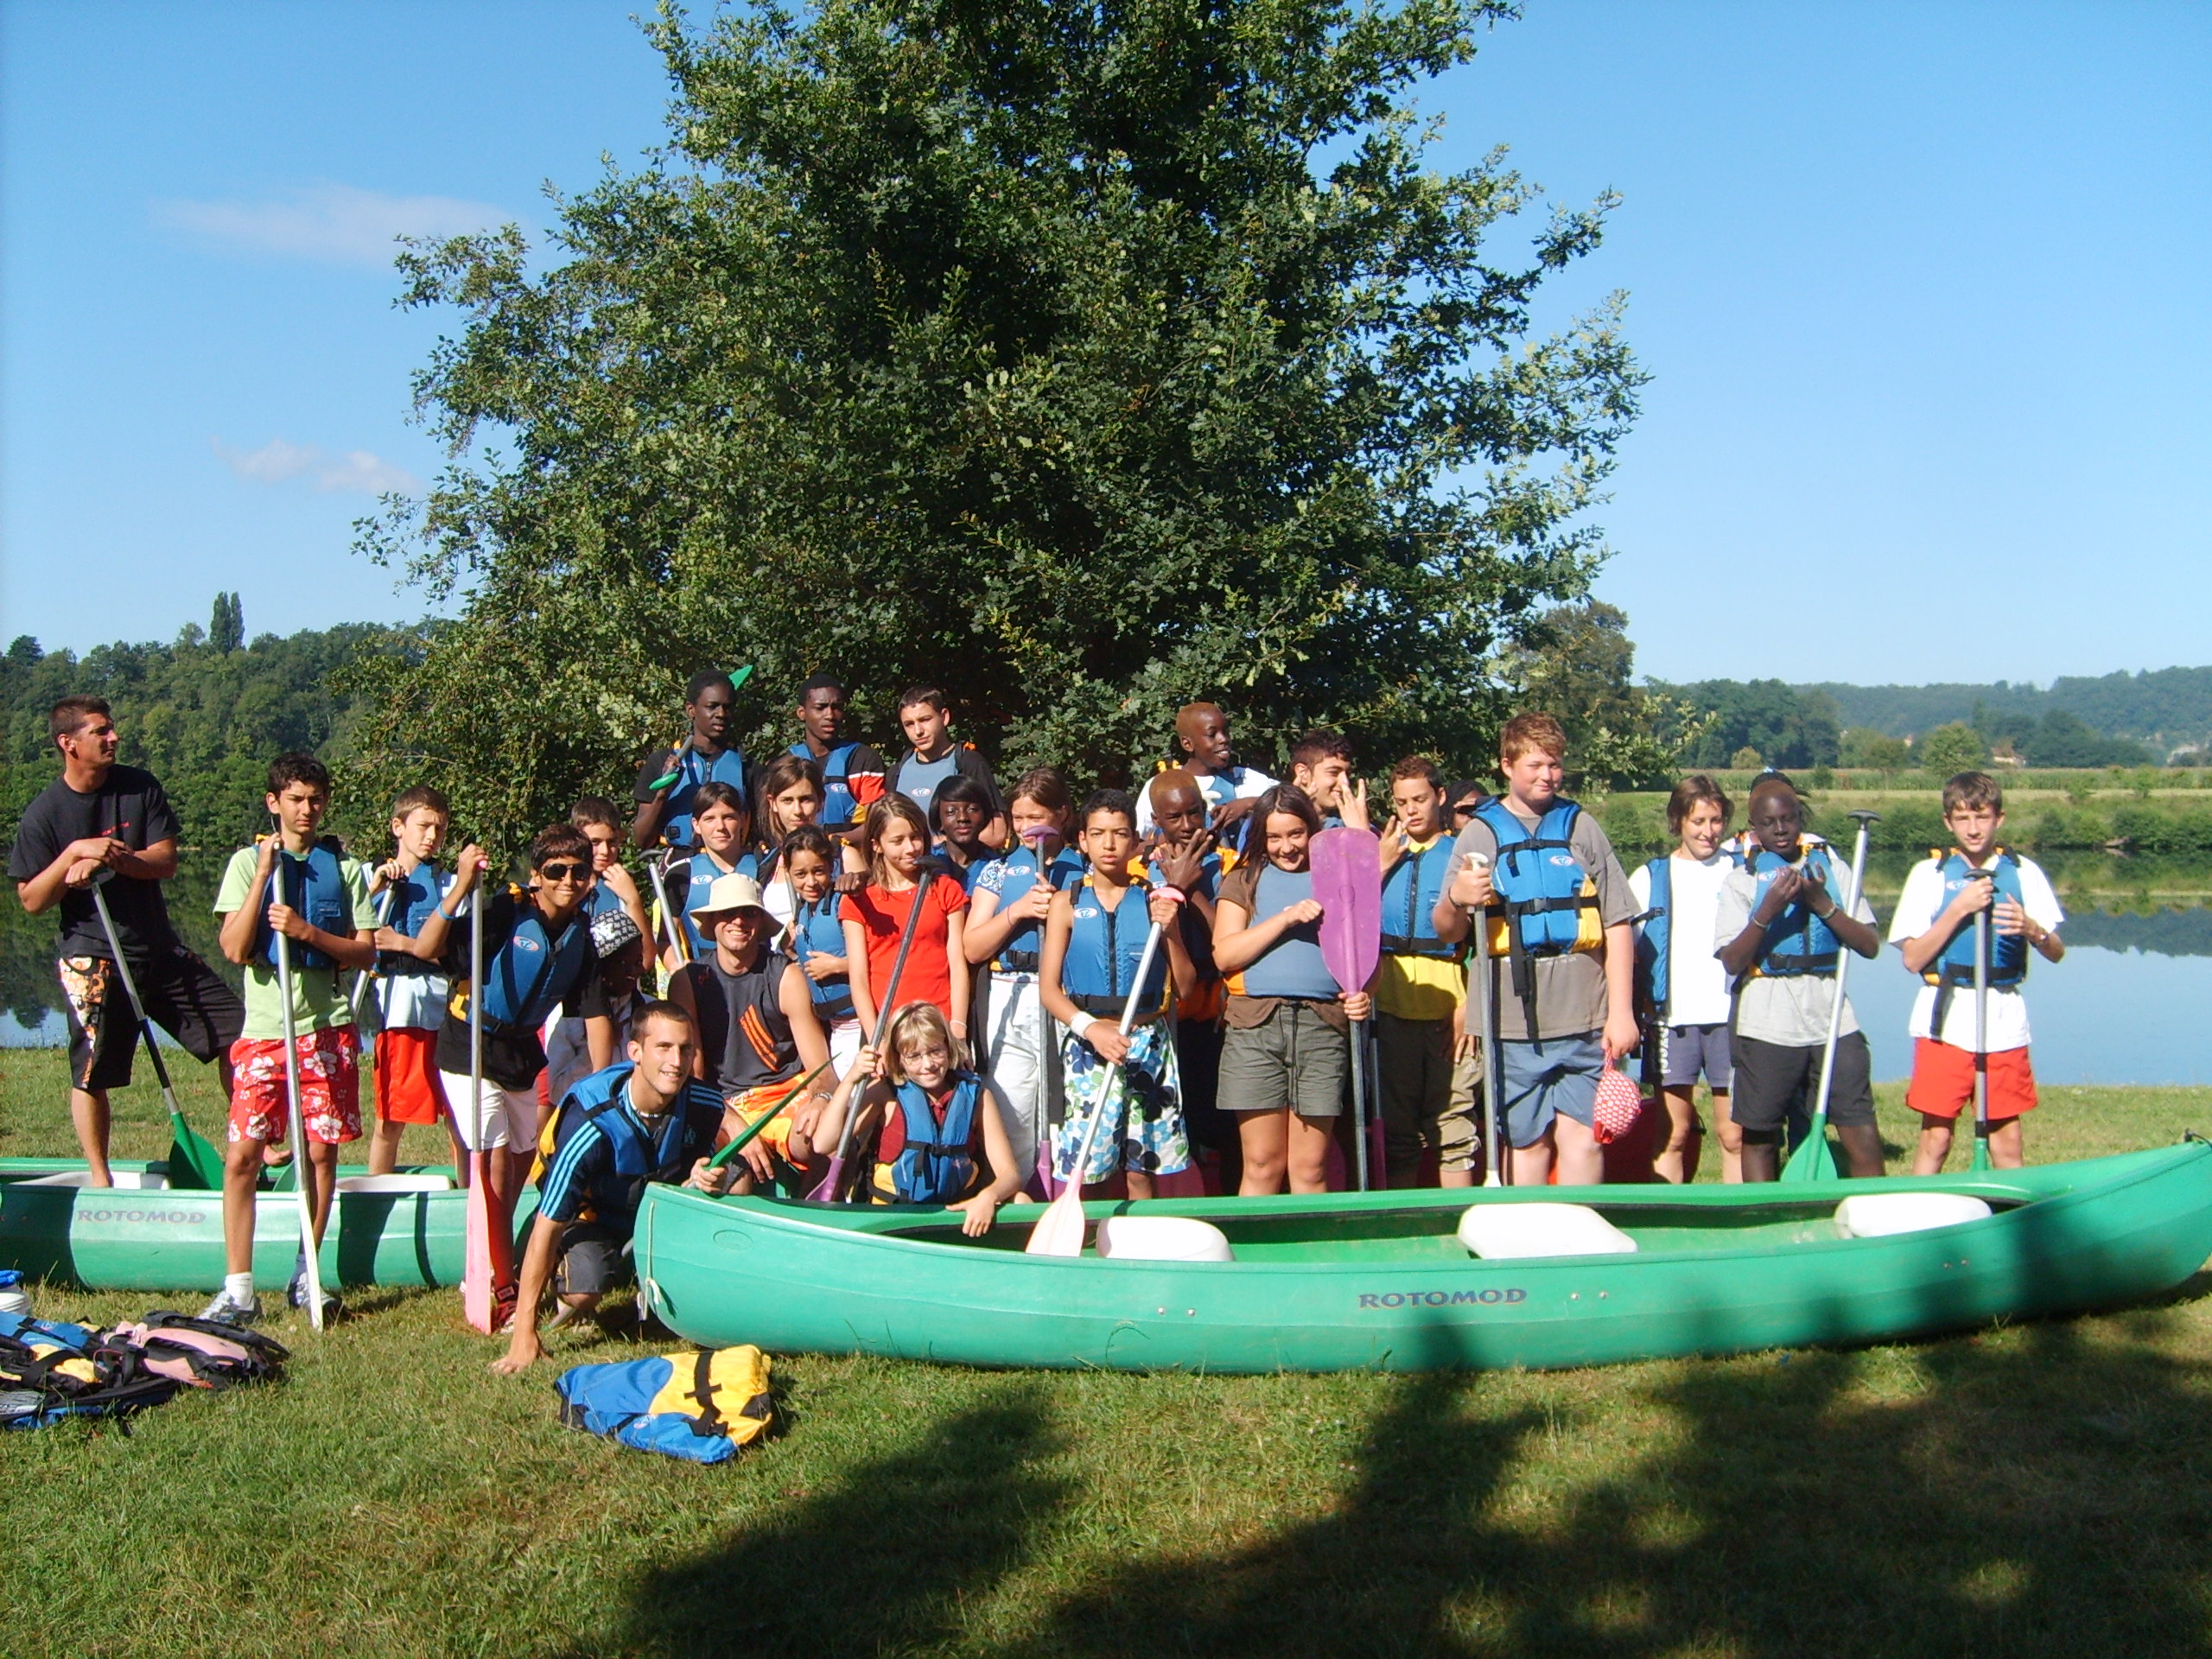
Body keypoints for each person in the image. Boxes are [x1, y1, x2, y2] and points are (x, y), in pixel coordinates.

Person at [9, 694, 245, 1186]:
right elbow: (31, 899)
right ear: (68, 743)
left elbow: (165, 859)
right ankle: (101, 1178)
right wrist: (74, 850)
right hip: (91, 958)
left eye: (112, 729)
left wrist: (112, 858)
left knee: (240, 1036)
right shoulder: (44, 815)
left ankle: (251, 1150)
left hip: (158, 948)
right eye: (101, 731)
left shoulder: (139, 787)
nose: (114, 738)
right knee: (93, 1071)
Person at [202, 753, 378, 1324]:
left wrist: (308, 933)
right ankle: (239, 1287)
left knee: (322, 1155)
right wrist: (261, 873)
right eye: (296, 799)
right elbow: (233, 947)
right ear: (274, 803)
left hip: (325, 1029)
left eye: (316, 800)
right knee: (243, 1156)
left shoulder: (345, 869)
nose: (307, 810)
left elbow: (365, 951)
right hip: (265, 1033)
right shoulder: (243, 864)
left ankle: (309, 1273)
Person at [1432, 714, 1639, 1186]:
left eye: (1555, 765)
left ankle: (1580, 1241)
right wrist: (1458, 897)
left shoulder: (1581, 827)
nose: (1547, 775)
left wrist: (1621, 1012)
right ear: (1507, 765)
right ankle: (1528, 1240)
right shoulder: (1480, 833)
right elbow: (1446, 929)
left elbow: (1619, 923)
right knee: (1526, 1142)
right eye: (1535, 765)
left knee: (1584, 1138)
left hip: (1586, 1013)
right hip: (1512, 1017)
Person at [416, 822, 613, 1318]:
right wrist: (461, 884)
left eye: (579, 872)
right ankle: (496, 1281)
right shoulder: (505, 911)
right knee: (493, 1161)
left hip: (521, 1055)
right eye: (557, 871)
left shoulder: (579, 935)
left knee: (524, 1164)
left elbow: (594, 1013)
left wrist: (603, 1084)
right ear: (537, 875)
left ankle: (494, 1261)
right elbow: (426, 949)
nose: (569, 880)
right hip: (469, 1046)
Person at [493, 1001, 732, 1374]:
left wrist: (703, 1179)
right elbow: (549, 1222)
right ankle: (569, 1273)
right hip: (591, 1216)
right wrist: (524, 1334)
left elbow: (692, 1175)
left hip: (653, 1213)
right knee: (584, 1291)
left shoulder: (705, 1104)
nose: (677, 1061)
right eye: (664, 1047)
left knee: (740, 1177)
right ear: (635, 1052)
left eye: (686, 1049)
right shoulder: (590, 1121)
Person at [1890, 771, 2066, 1173]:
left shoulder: (2023, 872)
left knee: (2007, 1138)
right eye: (1963, 818)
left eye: (1982, 817)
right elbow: (1913, 958)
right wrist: (1959, 908)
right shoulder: (1929, 875)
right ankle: (1920, 1218)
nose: (1973, 828)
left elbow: (2057, 952)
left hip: (2002, 1016)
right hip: (1945, 1016)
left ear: (1999, 819)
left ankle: (2014, 1221)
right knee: (1937, 1136)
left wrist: (2032, 930)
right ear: (1948, 822)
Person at [1713, 772, 1884, 1182]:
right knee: (1760, 1133)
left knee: (1859, 1127)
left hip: (1831, 1017)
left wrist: (1822, 904)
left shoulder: (1833, 871)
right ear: (1754, 830)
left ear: (1799, 818)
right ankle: (1763, 1218)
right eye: (1768, 823)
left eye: (1788, 819)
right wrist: (1766, 911)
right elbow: (1733, 960)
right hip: (1767, 1020)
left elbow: (1869, 944)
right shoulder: (1742, 881)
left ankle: (1876, 1212)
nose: (1780, 830)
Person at [1211, 784, 1374, 1194]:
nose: (1287, 847)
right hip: (1255, 1028)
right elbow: (1224, 955)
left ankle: (1310, 1256)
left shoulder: (1340, 875)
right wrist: (1284, 920)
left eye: (1296, 834)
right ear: (1262, 838)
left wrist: (1364, 995)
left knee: (1310, 1168)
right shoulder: (1243, 880)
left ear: (1312, 830)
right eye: (1275, 836)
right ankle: (1252, 1255)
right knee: (1263, 1165)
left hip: (1322, 1029)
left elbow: (1368, 954)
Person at [1039, 790, 1198, 1199]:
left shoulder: (1152, 900)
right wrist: (1092, 1031)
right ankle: (1088, 1244)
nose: (1109, 845)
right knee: (1087, 1169)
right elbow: (1049, 991)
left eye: (1120, 834)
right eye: (1098, 834)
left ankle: (1142, 1247)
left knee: (1142, 1168)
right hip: (1089, 1044)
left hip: (1146, 1042)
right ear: (1083, 840)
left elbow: (1186, 986)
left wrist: (1173, 931)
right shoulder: (1066, 903)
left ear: (1135, 841)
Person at [669, 871, 836, 1193]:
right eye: (728, 913)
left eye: (748, 912)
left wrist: (822, 1100)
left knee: (826, 1138)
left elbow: (821, 1068)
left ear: (760, 920)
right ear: (713, 921)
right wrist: (731, 1122)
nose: (738, 922)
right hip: (722, 1101)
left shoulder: (785, 976)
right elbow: (691, 1076)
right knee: (735, 1182)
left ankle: (805, 1225)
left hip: (785, 1093)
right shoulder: (689, 981)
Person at [963, 766, 1083, 1184]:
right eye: (1018, 818)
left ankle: (1065, 1193)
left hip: (1064, 997)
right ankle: (1014, 1192)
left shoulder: (1082, 869)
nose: (1026, 828)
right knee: (1011, 1105)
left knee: (1064, 1107)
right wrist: (1017, 911)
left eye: (1037, 817)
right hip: (1008, 992)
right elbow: (972, 946)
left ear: (1062, 814)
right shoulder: (997, 870)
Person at [808, 1002, 1022, 1231]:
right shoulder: (887, 1093)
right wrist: (851, 1079)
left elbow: (1010, 1174)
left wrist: (988, 1196)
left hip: (953, 1216)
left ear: (948, 1048)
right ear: (900, 1059)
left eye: (935, 1051)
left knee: (1021, 1201)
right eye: (914, 1056)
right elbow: (823, 1144)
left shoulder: (977, 1096)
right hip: (892, 1217)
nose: (928, 1065)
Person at [1372, 758, 1481, 1190]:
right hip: (1392, 1008)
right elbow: (1351, 922)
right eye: (1401, 803)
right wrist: (1379, 866)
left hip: (1449, 1009)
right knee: (1398, 1133)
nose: (1410, 810)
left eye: (1419, 799)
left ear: (1439, 797)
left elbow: (1482, 941)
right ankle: (1402, 1232)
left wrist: (1470, 1007)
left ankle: (1458, 1226)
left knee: (1453, 1124)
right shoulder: (1382, 853)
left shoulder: (1461, 855)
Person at [1628, 775, 1743, 1182]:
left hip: (1730, 1017)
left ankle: (1738, 1220)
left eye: (1715, 821)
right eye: (1697, 821)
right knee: (1673, 1133)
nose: (1707, 832)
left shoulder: (1741, 871)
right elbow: (1628, 953)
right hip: (1671, 1021)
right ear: (1678, 821)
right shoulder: (1650, 876)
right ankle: (1672, 1213)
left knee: (1733, 1134)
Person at [362, 785, 461, 1178]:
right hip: (399, 1010)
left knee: (459, 1116)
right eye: (423, 826)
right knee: (391, 1116)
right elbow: (353, 937)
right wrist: (375, 889)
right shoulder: (372, 881)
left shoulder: (451, 886)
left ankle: (468, 1199)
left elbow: (458, 954)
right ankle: (375, 1190)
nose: (431, 837)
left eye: (439, 829)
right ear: (398, 827)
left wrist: (404, 942)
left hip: (445, 1012)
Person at [1144, 767, 1236, 1190]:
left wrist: (1190, 887)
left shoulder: (1232, 864)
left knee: (1228, 1127)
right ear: (1157, 821)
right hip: (1167, 1019)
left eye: (1194, 814)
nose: (1186, 826)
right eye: (1174, 817)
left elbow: (1230, 940)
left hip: (1220, 1014)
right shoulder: (1138, 869)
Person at [842, 795, 970, 1041]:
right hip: (888, 1028)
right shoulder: (860, 900)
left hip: (939, 1024)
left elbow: (957, 963)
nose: (911, 848)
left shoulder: (945, 888)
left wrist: (958, 1025)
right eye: (897, 841)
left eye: (915, 836)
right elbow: (858, 977)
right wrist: (874, 1038)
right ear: (876, 844)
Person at [631, 671, 750, 852]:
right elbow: (642, 840)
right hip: (680, 869)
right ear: (691, 710)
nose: (721, 714)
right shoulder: (661, 761)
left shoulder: (746, 767)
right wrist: (662, 794)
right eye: (712, 706)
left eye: (727, 707)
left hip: (732, 865)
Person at [543, 908, 651, 1108]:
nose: (635, 971)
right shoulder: (567, 1017)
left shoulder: (652, 1011)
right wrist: (596, 1048)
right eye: (623, 963)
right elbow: (557, 1093)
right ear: (599, 967)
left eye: (638, 962)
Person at [781, 826, 863, 1073]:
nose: (810, 882)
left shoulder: (845, 901)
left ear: (831, 866)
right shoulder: (802, 913)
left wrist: (838, 966)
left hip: (861, 1025)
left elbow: (883, 957)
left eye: (818, 871)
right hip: (833, 1029)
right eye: (800, 874)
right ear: (789, 873)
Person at [1135, 702, 1275, 836]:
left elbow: (1291, 798)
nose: (1223, 739)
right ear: (1187, 744)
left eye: (1225, 732)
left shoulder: (1244, 779)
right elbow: (1135, 842)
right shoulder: (1161, 786)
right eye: (1212, 734)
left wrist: (1249, 803)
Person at [890, 685, 1005, 836]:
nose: (918, 731)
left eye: (925, 720)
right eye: (909, 724)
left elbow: (997, 832)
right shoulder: (897, 772)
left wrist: (947, 847)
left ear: (944, 717)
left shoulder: (968, 763)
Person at [664, 782, 761, 959]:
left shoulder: (764, 866)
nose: (720, 827)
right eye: (710, 819)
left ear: (742, 820)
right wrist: (678, 970)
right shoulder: (681, 874)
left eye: (728, 817)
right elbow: (665, 940)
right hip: (705, 976)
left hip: (760, 972)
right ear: (696, 825)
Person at [790, 673, 887, 835]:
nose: (830, 715)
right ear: (801, 712)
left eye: (837, 708)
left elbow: (877, 822)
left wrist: (838, 841)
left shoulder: (864, 759)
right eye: (820, 708)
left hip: (852, 854)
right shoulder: (786, 762)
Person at [571, 796, 652, 942]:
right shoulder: (562, 883)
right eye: (594, 842)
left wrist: (633, 900)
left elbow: (646, 960)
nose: (605, 851)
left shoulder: (619, 885)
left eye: (612, 842)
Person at [1287, 729, 1371, 831]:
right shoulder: (1270, 819)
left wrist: (1361, 833)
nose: (1345, 782)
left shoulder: (1351, 826)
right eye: (1333, 772)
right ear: (1303, 773)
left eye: (1347, 774)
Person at [929, 773, 1002, 889]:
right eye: (951, 811)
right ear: (939, 820)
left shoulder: (998, 867)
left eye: (972, 809)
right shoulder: (928, 863)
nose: (962, 818)